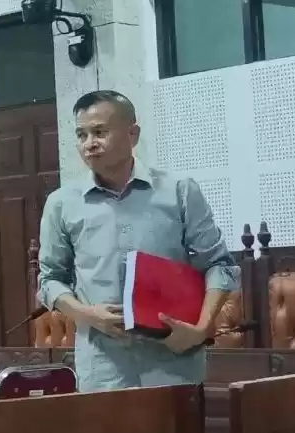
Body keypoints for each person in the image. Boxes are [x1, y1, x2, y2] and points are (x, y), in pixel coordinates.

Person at [37, 90, 240, 392]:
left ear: (133, 134)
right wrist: (87, 315)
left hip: (175, 362)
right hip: (104, 368)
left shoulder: (179, 191)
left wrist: (201, 329)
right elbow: (49, 279)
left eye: (100, 132)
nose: (89, 143)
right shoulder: (61, 204)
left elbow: (220, 265)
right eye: (81, 135)